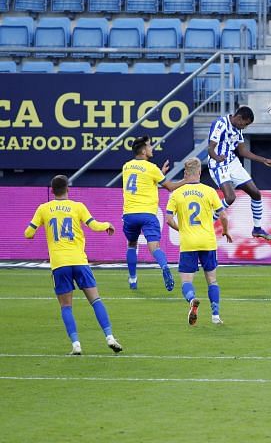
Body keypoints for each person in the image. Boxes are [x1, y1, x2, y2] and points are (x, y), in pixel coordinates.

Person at [24, 175, 123, 355]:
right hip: (79, 261)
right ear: (68, 189)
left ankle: (76, 344)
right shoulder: (78, 207)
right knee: (96, 300)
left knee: (66, 307)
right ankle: (109, 337)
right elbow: (94, 226)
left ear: (52, 191)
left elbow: (28, 233)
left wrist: (33, 233)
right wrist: (108, 224)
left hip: (59, 264)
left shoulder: (43, 209)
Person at [165, 158, 232, 325]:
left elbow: (167, 219)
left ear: (185, 173)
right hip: (208, 242)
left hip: (188, 243)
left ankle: (192, 299)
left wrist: (182, 229)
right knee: (212, 280)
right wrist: (224, 230)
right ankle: (215, 316)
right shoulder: (209, 191)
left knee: (187, 281)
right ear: (200, 172)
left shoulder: (177, 194)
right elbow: (223, 215)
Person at [122, 136, 186, 290]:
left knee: (131, 245)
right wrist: (186, 180)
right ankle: (164, 267)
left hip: (130, 214)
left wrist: (160, 174)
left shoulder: (126, 167)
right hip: (147, 214)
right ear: (144, 151)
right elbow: (170, 187)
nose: (152, 149)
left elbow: (142, 183)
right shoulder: (151, 168)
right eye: (150, 146)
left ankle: (132, 280)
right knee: (155, 247)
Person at [207, 105, 271, 241]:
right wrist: (217, 157)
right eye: (245, 124)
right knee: (230, 198)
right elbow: (210, 148)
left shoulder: (238, 129)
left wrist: (263, 160)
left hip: (233, 163)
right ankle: (207, 222)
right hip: (218, 164)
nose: (244, 127)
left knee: (256, 193)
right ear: (239, 118)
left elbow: (243, 152)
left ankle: (257, 229)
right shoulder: (220, 124)